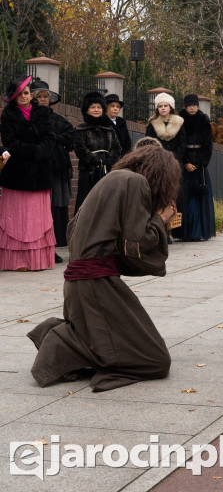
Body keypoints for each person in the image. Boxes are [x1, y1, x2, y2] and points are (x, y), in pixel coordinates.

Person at [27, 144, 181, 391]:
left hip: (82, 284)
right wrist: (159, 221)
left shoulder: (111, 179)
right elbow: (136, 243)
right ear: (160, 175)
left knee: (120, 341)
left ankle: (58, 333)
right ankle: (59, 340)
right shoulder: (135, 183)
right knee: (155, 361)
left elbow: (77, 230)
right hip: (96, 285)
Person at [0, 76, 56, 271]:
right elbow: (9, 142)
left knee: (37, 219)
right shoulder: (7, 115)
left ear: (30, 94)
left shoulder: (43, 113)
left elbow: (50, 138)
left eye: (26, 93)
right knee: (17, 218)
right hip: (17, 174)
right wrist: (32, 151)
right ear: (13, 97)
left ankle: (37, 260)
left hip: (40, 173)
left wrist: (40, 152)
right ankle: (17, 261)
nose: (23, 96)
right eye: (19, 94)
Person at [31, 80, 74, 261]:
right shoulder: (29, 118)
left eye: (45, 96)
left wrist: (54, 138)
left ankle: (52, 247)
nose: (42, 99)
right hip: (36, 168)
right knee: (39, 209)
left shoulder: (59, 120)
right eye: (38, 96)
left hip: (57, 170)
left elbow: (70, 138)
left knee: (56, 208)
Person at [73, 92, 121, 214]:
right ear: (87, 110)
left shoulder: (109, 130)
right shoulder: (80, 129)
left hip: (107, 172)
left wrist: (109, 160)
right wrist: (96, 160)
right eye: (93, 107)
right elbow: (80, 149)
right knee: (86, 204)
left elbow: (116, 148)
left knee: (106, 204)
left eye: (99, 107)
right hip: (88, 172)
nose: (96, 110)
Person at [177, 95, 215, 242]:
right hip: (184, 163)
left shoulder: (204, 119)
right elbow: (179, 143)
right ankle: (184, 232)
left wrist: (201, 164)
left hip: (200, 165)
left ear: (198, 106)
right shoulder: (179, 120)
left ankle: (200, 231)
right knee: (184, 197)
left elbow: (208, 144)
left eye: (194, 104)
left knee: (200, 197)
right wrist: (185, 162)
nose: (192, 107)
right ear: (185, 106)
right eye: (189, 105)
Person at [145, 93, 186, 163]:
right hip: (157, 161)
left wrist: (175, 157)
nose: (163, 108)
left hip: (175, 162)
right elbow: (149, 143)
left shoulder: (178, 122)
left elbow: (182, 144)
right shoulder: (152, 124)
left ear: (170, 108)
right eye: (160, 106)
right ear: (157, 109)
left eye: (166, 106)